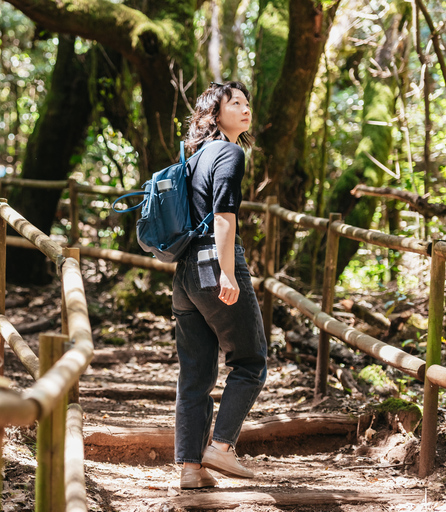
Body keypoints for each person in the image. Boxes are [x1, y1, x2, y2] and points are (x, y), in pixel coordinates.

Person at [173, 81, 268, 489]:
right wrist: (227, 273)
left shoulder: (193, 158)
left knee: (195, 374)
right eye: (236, 103)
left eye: (248, 102)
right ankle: (222, 447)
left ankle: (191, 469)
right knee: (251, 362)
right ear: (215, 113)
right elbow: (224, 217)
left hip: (185, 273)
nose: (246, 109)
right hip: (215, 265)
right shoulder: (229, 152)